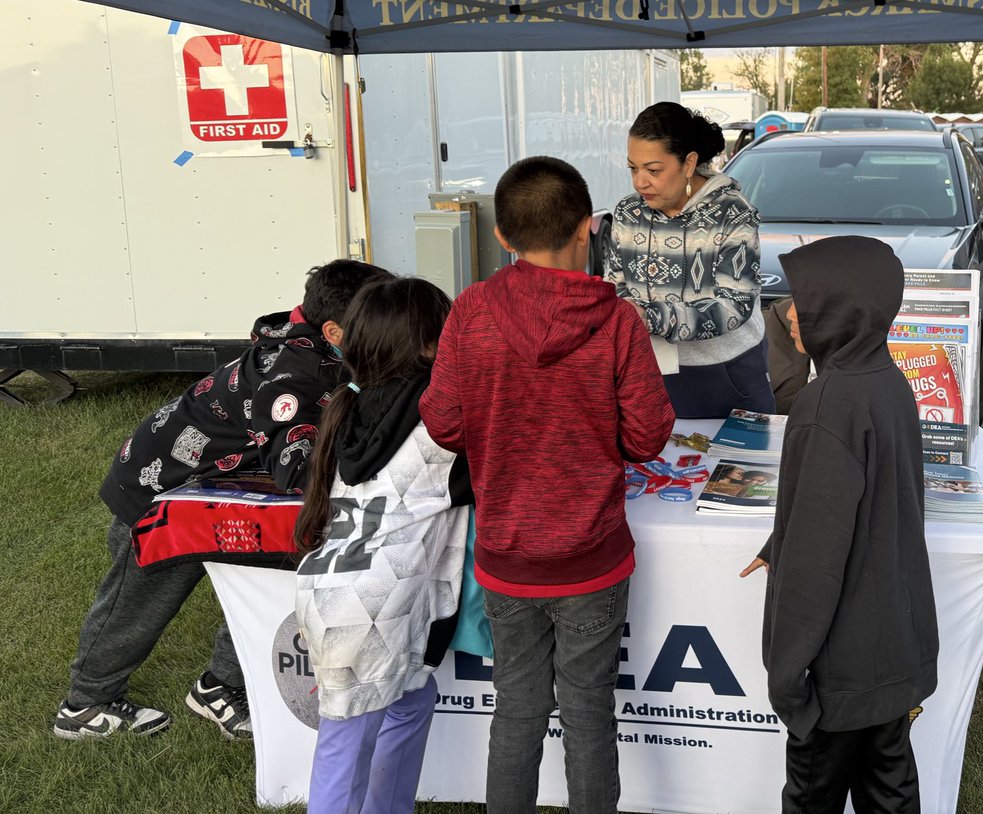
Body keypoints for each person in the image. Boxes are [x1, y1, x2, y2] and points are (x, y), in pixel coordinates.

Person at [419, 155, 675, 814]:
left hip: (507, 556)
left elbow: (444, 422)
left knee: (517, 712)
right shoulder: (616, 322)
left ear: (502, 237)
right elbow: (648, 436)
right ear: (588, 227)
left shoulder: (472, 311)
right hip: (592, 559)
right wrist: (594, 431)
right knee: (589, 717)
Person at [54, 259, 390, 741]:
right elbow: (299, 472)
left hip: (224, 488)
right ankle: (86, 703)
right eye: (383, 319)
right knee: (139, 600)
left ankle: (221, 686)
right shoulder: (293, 380)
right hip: (161, 495)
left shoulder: (318, 346)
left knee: (275, 567)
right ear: (335, 329)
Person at [740, 236, 939, 813]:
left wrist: (786, 672)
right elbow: (868, 499)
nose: (792, 316)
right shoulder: (887, 381)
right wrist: (782, 540)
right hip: (893, 648)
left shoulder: (824, 404)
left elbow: (815, 561)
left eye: (808, 299)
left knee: (813, 797)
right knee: (890, 787)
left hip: (838, 670)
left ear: (845, 307)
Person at [293, 275, 471, 814]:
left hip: (330, 593)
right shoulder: (440, 422)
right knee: (344, 754)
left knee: (413, 699)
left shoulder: (351, 404)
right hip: (371, 613)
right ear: (427, 344)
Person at [604, 101, 773, 419]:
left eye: (653, 170)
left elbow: (733, 306)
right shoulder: (629, 211)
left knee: (734, 467)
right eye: (633, 168)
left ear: (689, 163)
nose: (640, 182)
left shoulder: (731, 213)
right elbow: (616, 284)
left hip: (728, 374)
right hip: (648, 372)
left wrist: (650, 318)